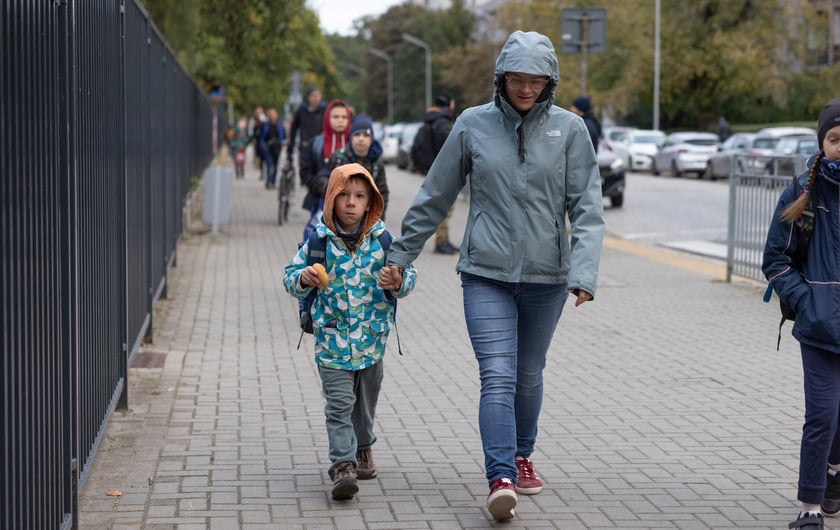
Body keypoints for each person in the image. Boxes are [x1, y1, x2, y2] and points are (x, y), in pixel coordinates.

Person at [381, 30, 604, 521]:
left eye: (536, 81)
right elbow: (435, 194)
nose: (526, 89)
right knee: (497, 375)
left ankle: (523, 453)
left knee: (528, 374)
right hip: (485, 272)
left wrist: (584, 270)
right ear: (501, 79)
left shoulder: (569, 130)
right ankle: (499, 475)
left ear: (550, 82)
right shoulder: (472, 125)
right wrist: (399, 257)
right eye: (517, 80)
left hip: (547, 276)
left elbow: (587, 206)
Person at [283, 163, 416, 501]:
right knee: (340, 405)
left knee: (365, 405)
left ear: (371, 202)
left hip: (372, 341)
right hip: (333, 341)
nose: (352, 203)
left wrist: (397, 279)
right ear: (331, 200)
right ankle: (343, 464)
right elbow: (290, 275)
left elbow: (409, 276)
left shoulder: (384, 240)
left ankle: (364, 446)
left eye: (359, 196)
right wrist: (304, 278)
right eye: (344, 195)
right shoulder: (319, 242)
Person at [763, 99, 840, 530]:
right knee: (823, 415)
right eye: (834, 139)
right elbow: (775, 259)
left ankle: (833, 475)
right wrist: (808, 300)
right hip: (820, 327)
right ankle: (810, 507)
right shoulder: (803, 191)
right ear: (822, 142)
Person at [317, 113, 389, 220]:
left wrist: (377, 219)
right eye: (357, 134)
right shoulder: (338, 157)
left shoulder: (377, 163)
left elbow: (382, 192)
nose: (361, 139)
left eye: (365, 135)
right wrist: (335, 187)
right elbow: (321, 178)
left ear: (372, 139)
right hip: (339, 216)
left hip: (366, 218)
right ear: (350, 137)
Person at [412, 92, 458, 254]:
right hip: (444, 170)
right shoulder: (443, 122)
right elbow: (457, 141)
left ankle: (444, 239)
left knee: (443, 205)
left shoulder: (430, 119)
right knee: (445, 207)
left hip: (432, 168)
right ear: (449, 104)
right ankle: (441, 242)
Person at [300, 99, 352, 240]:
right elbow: (305, 171)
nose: (340, 120)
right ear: (327, 118)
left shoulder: (355, 144)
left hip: (350, 205)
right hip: (320, 203)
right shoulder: (316, 143)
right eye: (336, 117)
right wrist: (320, 188)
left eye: (344, 117)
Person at [288, 86, 326, 166]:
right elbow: (294, 128)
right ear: (308, 97)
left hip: (320, 146)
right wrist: (290, 147)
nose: (316, 98)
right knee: (304, 171)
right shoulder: (301, 110)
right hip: (305, 146)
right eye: (313, 96)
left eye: (318, 96)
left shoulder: (324, 110)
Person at [258, 108, 286, 189]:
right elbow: (262, 137)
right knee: (269, 165)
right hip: (268, 148)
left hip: (277, 148)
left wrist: (282, 143)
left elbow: (283, 136)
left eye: (274, 114)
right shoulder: (265, 125)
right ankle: (269, 181)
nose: (273, 116)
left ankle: (273, 181)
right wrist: (264, 146)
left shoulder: (280, 125)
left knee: (276, 165)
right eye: (271, 114)